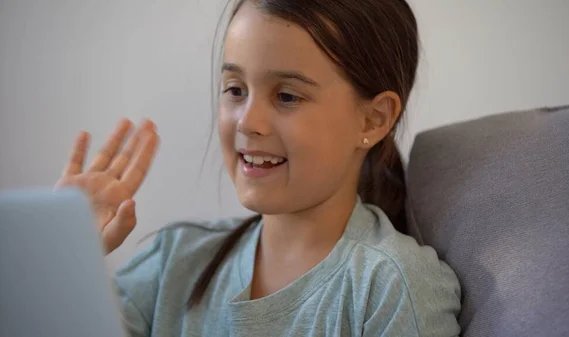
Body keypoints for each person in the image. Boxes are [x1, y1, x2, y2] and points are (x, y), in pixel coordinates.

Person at [56, 0, 461, 336]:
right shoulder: (171, 264)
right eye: (235, 90)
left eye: (286, 96)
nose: (248, 122)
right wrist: (63, 256)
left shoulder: (391, 287)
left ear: (373, 119)